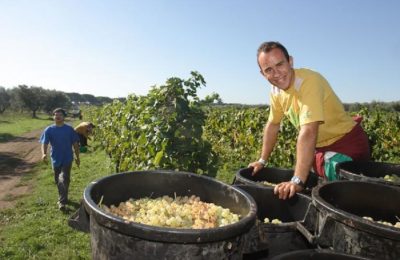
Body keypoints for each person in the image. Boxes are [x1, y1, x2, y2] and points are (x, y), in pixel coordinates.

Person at [249, 41, 370, 200]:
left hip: (347, 145)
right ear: (262, 74)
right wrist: (262, 160)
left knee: (339, 197)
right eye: (269, 70)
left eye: (280, 64)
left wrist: (297, 180)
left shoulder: (309, 81)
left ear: (290, 61)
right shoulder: (276, 91)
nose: (276, 73)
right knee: (318, 189)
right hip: (321, 150)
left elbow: (308, 130)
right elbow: (273, 125)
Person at [40, 108, 80, 211]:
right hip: (55, 159)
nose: (57, 116)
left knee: (63, 178)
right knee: (59, 180)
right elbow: (44, 142)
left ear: (64, 117)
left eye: (60, 115)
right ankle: (64, 197)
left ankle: (61, 202)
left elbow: (75, 143)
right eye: (55, 115)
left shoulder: (69, 129)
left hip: (67, 158)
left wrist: (77, 156)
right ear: (53, 116)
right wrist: (44, 153)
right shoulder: (49, 130)